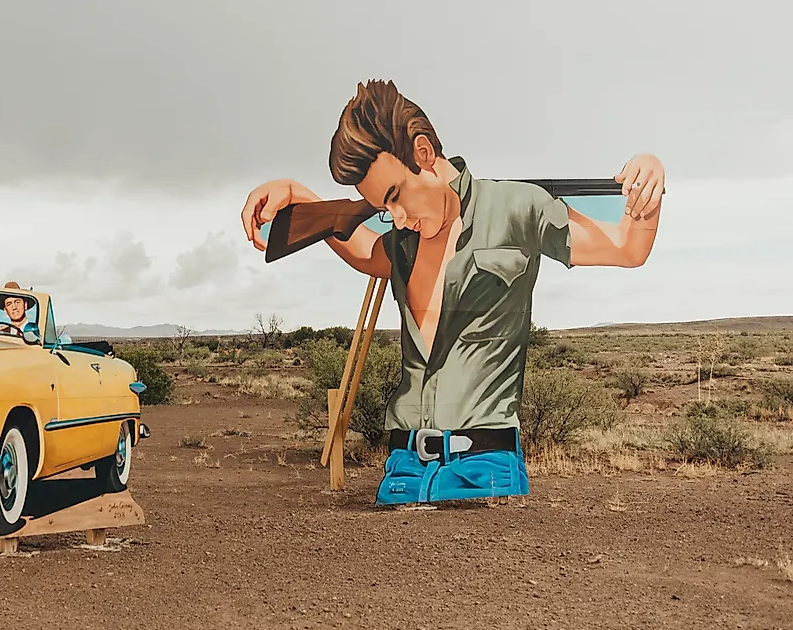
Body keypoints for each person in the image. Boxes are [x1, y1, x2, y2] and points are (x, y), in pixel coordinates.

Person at [240, 79, 664, 505]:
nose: (397, 217)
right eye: (383, 208)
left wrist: (649, 172)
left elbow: (627, 248)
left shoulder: (516, 208)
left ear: (423, 154)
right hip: (401, 471)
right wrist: (297, 196)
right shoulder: (401, 242)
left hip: (486, 472)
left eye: (395, 195)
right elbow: (364, 249)